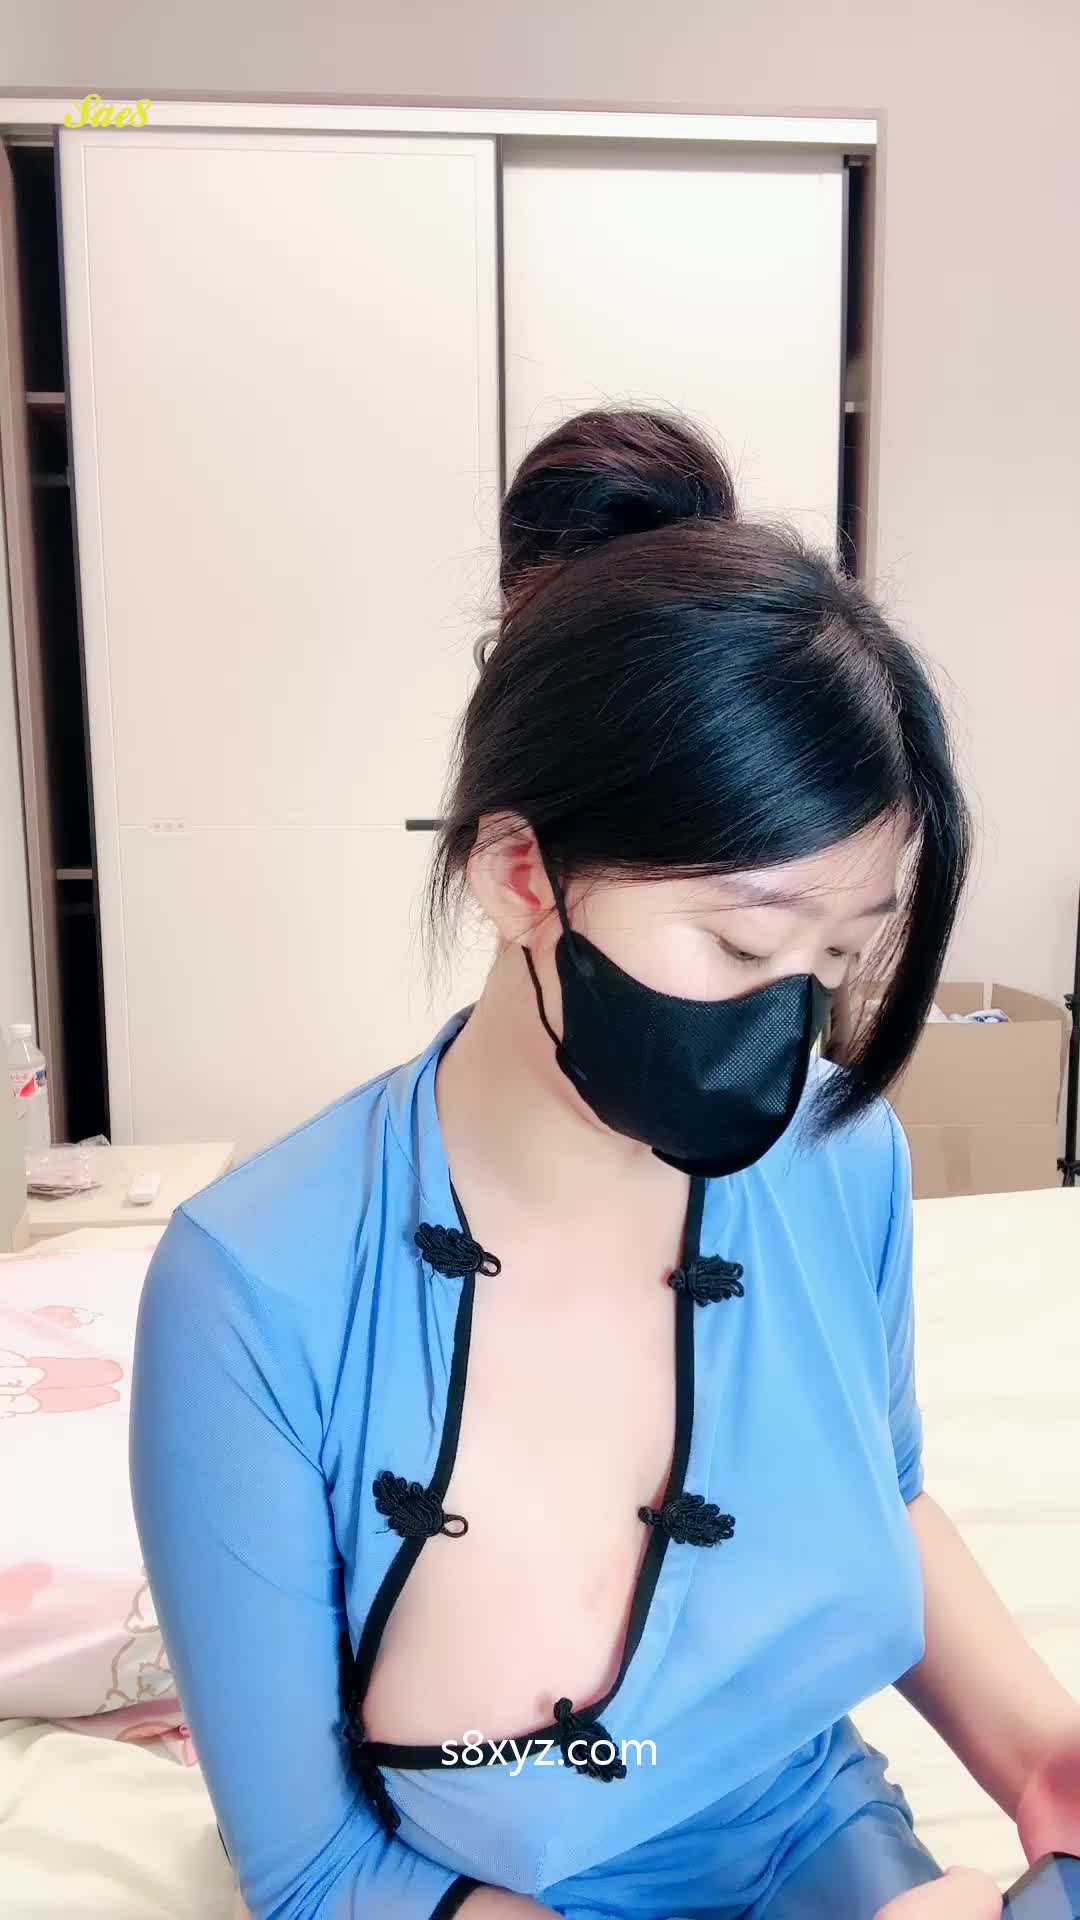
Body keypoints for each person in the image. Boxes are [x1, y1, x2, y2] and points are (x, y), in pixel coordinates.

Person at [131, 411, 1080, 1920]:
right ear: (521, 874)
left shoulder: (840, 1158)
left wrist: (1046, 1761)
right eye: (743, 946)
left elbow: (881, 1492)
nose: (790, 1029)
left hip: (807, 1825)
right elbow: (315, 1870)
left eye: (841, 956)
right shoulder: (253, 1289)